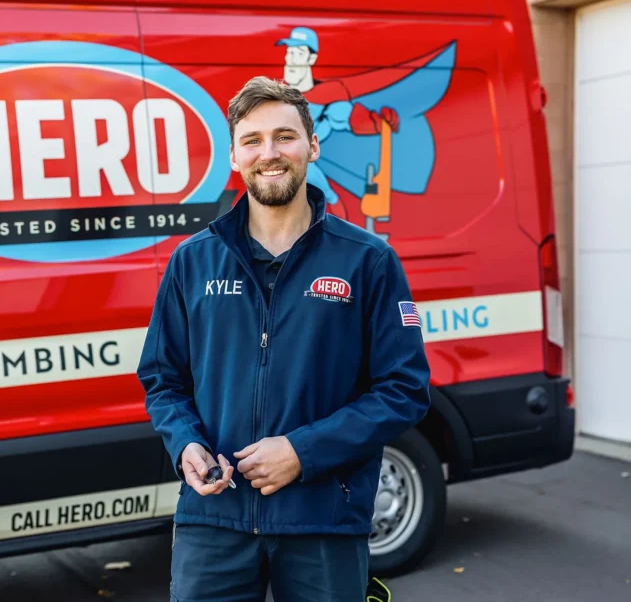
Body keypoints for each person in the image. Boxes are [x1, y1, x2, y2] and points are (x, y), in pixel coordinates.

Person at [136, 76, 432, 602]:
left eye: (284, 137)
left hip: (323, 517)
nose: (268, 153)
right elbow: (162, 378)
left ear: (312, 146)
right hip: (214, 519)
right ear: (233, 155)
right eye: (252, 140)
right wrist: (187, 445)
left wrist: (303, 451)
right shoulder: (192, 261)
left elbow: (404, 389)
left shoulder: (368, 261)